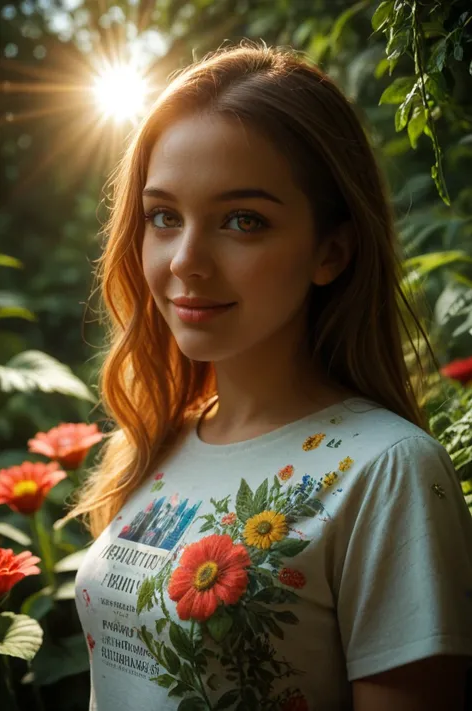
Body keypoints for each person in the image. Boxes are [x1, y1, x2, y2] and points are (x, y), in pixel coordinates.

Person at [70, 41, 472, 711]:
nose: (185, 261)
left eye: (242, 221)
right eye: (164, 216)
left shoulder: (390, 470)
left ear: (331, 250)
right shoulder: (155, 443)